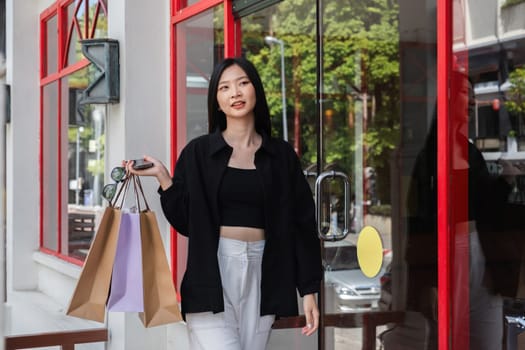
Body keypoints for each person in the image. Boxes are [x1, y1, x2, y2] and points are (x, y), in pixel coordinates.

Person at [126, 57, 323, 350]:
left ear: (256, 90)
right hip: (213, 270)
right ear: (217, 101)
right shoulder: (199, 153)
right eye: (225, 87)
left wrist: (308, 290)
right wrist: (164, 179)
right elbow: (185, 221)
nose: (236, 93)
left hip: (264, 271)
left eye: (243, 83)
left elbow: (302, 225)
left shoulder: (281, 156)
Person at [402, 70, 524, 350]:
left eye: (472, 96)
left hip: (479, 252)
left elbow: (486, 208)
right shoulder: (428, 154)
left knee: (488, 336)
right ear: (444, 99)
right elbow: (419, 219)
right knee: (445, 336)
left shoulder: (469, 152)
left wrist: (506, 180)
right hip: (447, 253)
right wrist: (428, 280)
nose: (471, 102)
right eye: (463, 94)